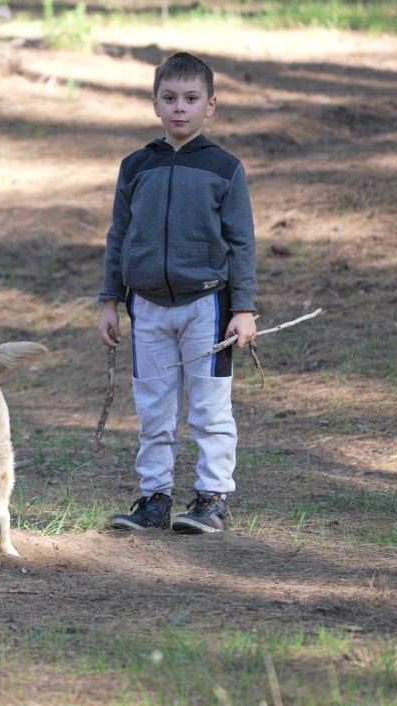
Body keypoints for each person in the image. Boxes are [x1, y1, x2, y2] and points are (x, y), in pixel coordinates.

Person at [97, 51, 257, 534]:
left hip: (207, 307)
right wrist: (110, 300)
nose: (179, 107)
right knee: (153, 409)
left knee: (209, 409)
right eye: (169, 98)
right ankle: (154, 498)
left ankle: (211, 499)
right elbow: (118, 236)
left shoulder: (225, 169)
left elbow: (241, 242)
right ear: (155, 104)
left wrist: (244, 308)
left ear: (211, 105)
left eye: (191, 98)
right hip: (145, 307)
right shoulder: (135, 166)